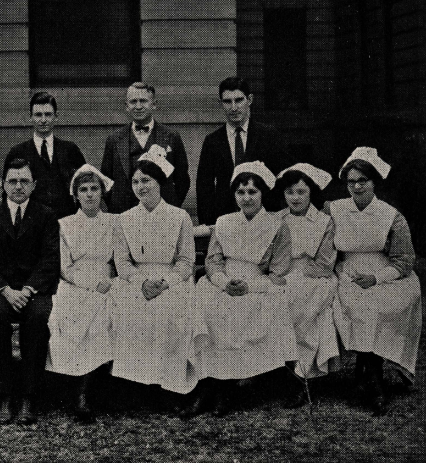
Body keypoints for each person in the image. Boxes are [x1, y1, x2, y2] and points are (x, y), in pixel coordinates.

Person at [184, 161, 296, 418]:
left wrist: (249, 286)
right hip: (224, 281)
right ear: (234, 195)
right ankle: (207, 385)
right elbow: (213, 259)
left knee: (239, 312)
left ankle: (227, 388)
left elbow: (278, 272)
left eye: (252, 192)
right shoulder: (224, 222)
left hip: (259, 285)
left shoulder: (277, 225)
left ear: (262, 194)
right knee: (206, 304)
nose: (246, 198)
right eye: (240, 192)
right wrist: (224, 282)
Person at [327, 147, 421, 416]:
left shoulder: (390, 216)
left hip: (384, 273)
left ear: (374, 182)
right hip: (347, 271)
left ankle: (372, 372)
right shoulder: (334, 209)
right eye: (351, 182)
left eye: (362, 181)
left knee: (375, 305)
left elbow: (404, 261)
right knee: (354, 304)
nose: (356, 187)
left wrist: (376, 278)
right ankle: (370, 374)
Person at [0, 158, 60, 424]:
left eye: (24, 181)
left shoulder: (46, 216)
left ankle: (29, 396)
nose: (18, 186)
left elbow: (50, 259)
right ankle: (4, 395)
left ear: (33, 185)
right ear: (3, 185)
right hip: (2, 290)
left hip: (35, 290)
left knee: (36, 319)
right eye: (12, 181)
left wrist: (29, 289)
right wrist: (5, 290)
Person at [111, 148, 198, 407]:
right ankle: (137, 386)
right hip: (137, 280)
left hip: (171, 280)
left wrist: (166, 282)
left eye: (146, 180)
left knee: (170, 309)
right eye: (135, 182)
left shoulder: (179, 217)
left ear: (159, 182)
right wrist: (141, 283)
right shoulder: (124, 219)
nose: (140, 186)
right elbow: (122, 262)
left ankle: (169, 387)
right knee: (130, 309)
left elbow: (186, 260)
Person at [46, 164, 115, 422]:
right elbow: (63, 267)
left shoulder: (115, 222)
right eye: (83, 190)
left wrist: (108, 281)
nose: (89, 194)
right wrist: (87, 283)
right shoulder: (64, 225)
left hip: (107, 281)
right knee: (68, 311)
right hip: (74, 282)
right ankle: (76, 391)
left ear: (102, 192)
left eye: (94, 189)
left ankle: (90, 390)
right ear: (75, 195)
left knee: (104, 312)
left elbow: (121, 259)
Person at [275, 164, 340, 408]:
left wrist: (294, 275)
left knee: (300, 302)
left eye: (301, 192)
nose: (295, 198)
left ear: (311, 192)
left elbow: (324, 263)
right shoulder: (276, 219)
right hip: (282, 273)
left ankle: (302, 377)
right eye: (290, 192)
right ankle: (279, 368)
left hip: (316, 277)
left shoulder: (324, 222)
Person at [196, 77, 292, 226]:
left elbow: (284, 178)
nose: (233, 108)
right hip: (226, 220)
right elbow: (204, 187)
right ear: (221, 103)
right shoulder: (212, 141)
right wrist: (208, 224)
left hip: (264, 218)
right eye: (227, 102)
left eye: (239, 100)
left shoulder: (269, 135)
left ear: (250, 100)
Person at [101, 82, 190, 212]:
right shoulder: (114, 139)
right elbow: (105, 180)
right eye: (133, 102)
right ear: (126, 106)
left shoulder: (171, 136)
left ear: (153, 104)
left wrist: (171, 205)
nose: (138, 106)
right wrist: (118, 205)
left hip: (162, 214)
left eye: (143, 101)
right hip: (124, 214)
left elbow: (182, 180)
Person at [4, 92, 86, 219]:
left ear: (56, 116)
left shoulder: (70, 150)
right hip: (31, 225)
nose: (43, 120)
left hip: (67, 222)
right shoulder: (17, 152)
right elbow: (7, 193)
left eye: (48, 114)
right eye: (38, 115)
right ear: (30, 117)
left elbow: (84, 185)